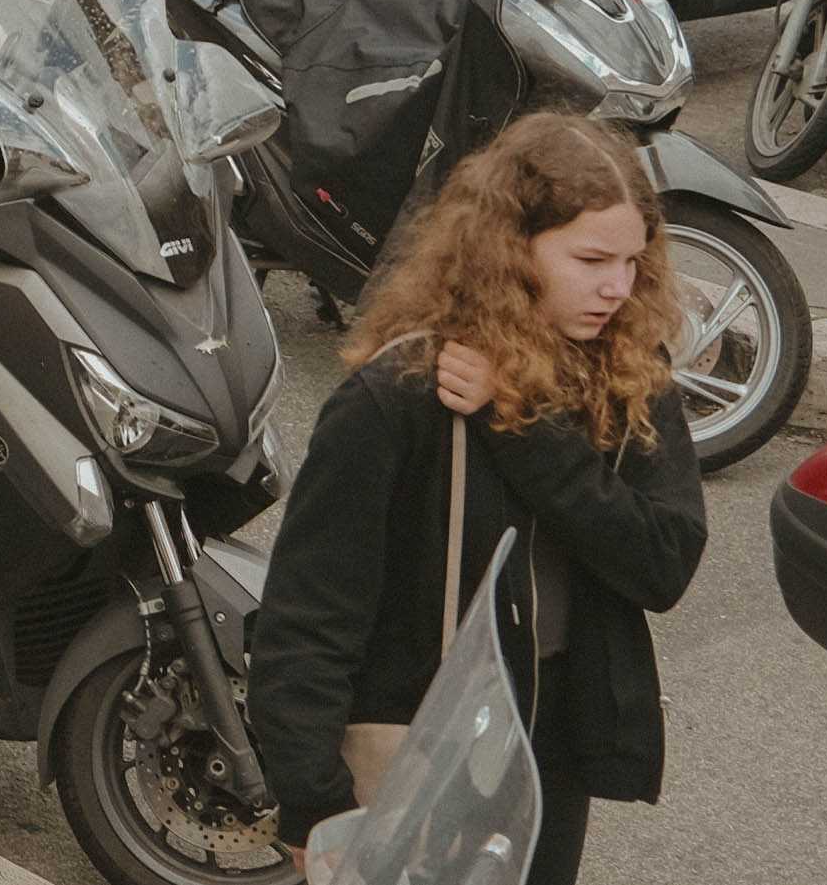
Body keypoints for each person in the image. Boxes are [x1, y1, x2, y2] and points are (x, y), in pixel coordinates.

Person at [251, 114, 709, 884]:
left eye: (634, 261)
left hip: (547, 745)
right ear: (509, 251)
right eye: (592, 258)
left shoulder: (630, 371)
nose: (618, 287)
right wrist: (312, 798)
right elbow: (309, 617)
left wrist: (524, 430)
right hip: (419, 746)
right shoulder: (396, 397)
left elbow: (662, 561)